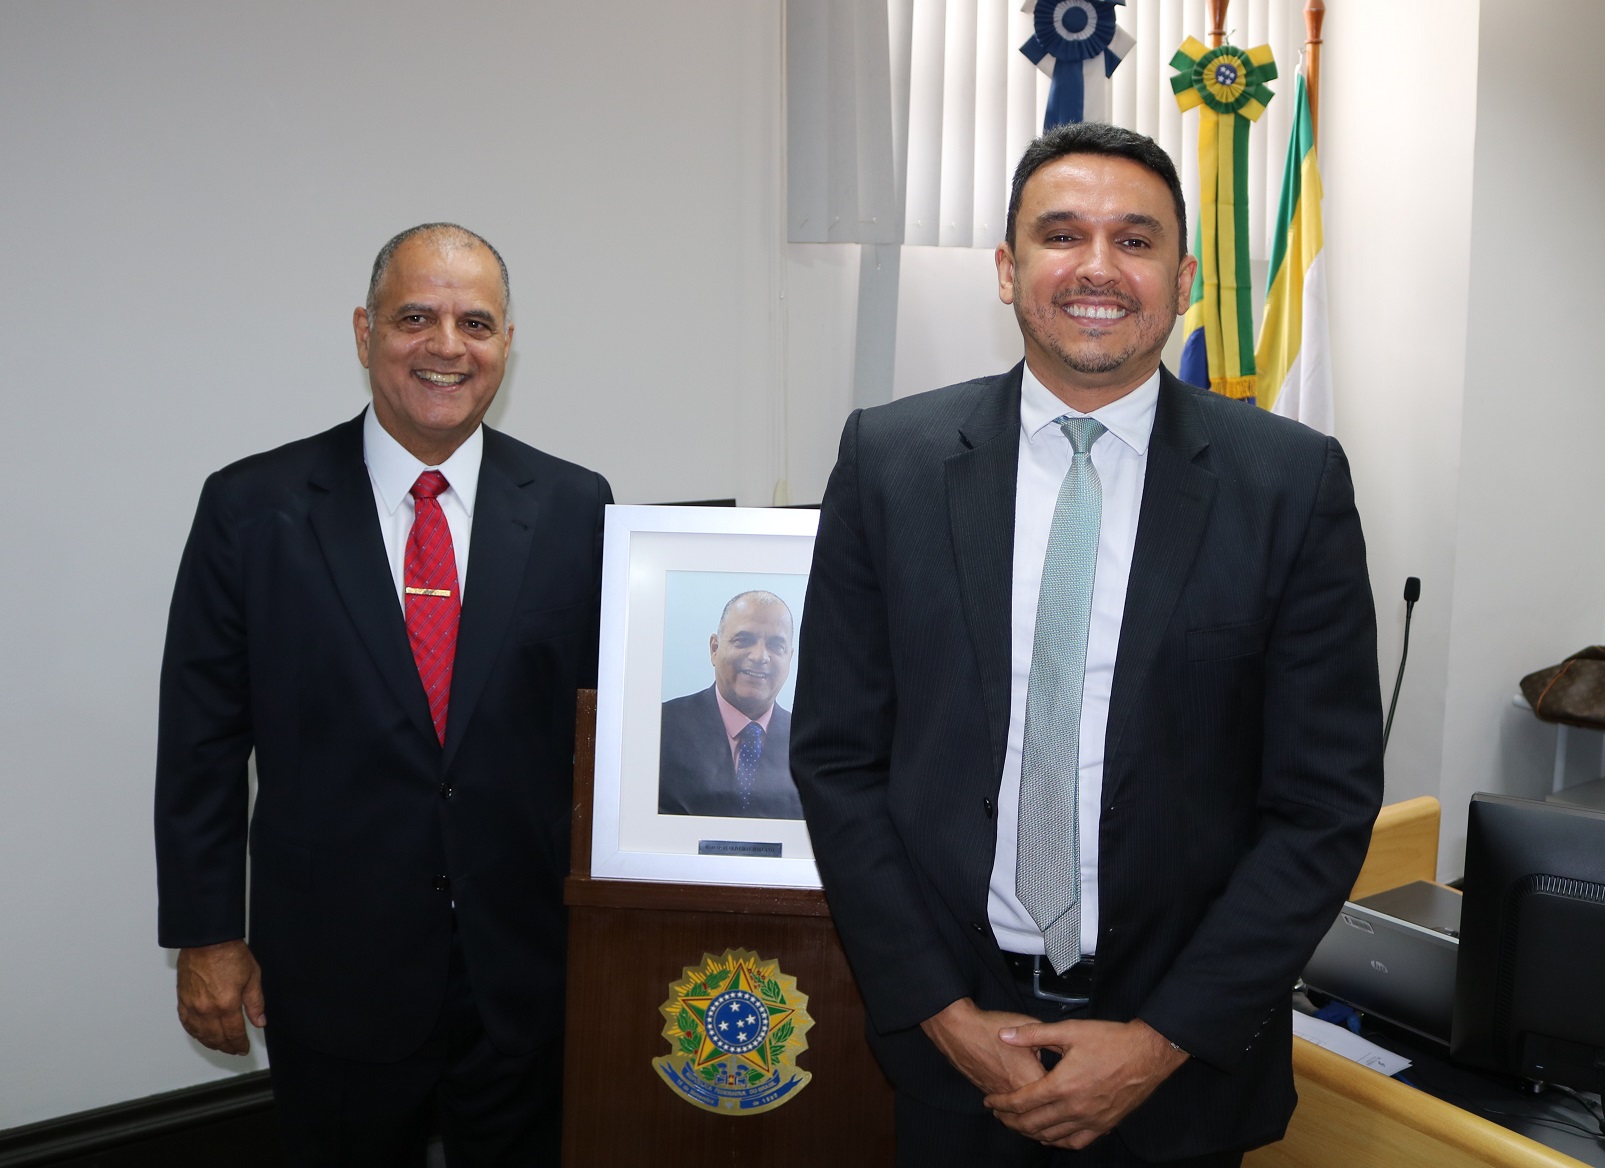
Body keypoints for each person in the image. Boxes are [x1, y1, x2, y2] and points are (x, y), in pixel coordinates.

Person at [790, 123, 1384, 1167]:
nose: (1097, 268)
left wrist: (1160, 1041)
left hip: (1182, 1066)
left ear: (1184, 279)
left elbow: (1322, 803)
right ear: (1008, 269)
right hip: (953, 1052)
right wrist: (940, 1011)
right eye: (1061, 235)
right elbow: (838, 760)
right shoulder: (888, 461)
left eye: (1135, 240)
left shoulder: (1290, 484)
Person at [154, 222, 611, 1166]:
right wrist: (207, 937)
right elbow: (200, 742)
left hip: (523, 971)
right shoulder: (252, 508)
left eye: (474, 323)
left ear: (507, 344)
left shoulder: (579, 507)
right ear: (365, 332)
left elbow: (600, 733)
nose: (447, 346)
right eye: (415, 318)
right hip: (331, 973)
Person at [659, 590, 802, 820]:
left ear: (789, 658)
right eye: (744, 640)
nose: (760, 656)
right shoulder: (661, 727)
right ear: (714, 649)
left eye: (776, 645)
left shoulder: (808, 742)